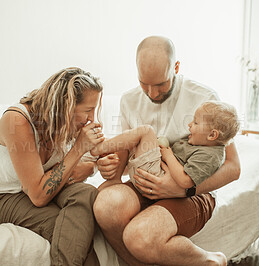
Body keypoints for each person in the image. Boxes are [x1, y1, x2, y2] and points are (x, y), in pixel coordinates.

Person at [93, 36, 241, 265]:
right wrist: (109, 164)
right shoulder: (129, 100)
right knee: (105, 205)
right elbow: (121, 164)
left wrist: (182, 190)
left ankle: (212, 260)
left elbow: (233, 168)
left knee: (140, 236)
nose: (152, 93)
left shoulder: (205, 99)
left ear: (176, 67)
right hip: (146, 185)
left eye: (161, 84)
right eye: (144, 84)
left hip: (192, 193)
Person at [0, 67, 105, 266]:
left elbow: (73, 167)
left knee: (86, 193)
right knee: (72, 230)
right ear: (66, 106)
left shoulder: (64, 123)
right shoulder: (18, 121)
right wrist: (78, 149)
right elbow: (39, 195)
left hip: (48, 188)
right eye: (88, 111)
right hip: (9, 197)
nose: (92, 118)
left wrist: (95, 166)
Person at [91, 101, 240, 196]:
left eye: (195, 123)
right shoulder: (201, 144)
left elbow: (185, 181)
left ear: (212, 135)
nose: (189, 125)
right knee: (130, 137)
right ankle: (115, 178)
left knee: (145, 131)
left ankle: (99, 148)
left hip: (158, 178)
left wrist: (168, 154)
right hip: (155, 173)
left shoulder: (211, 156)